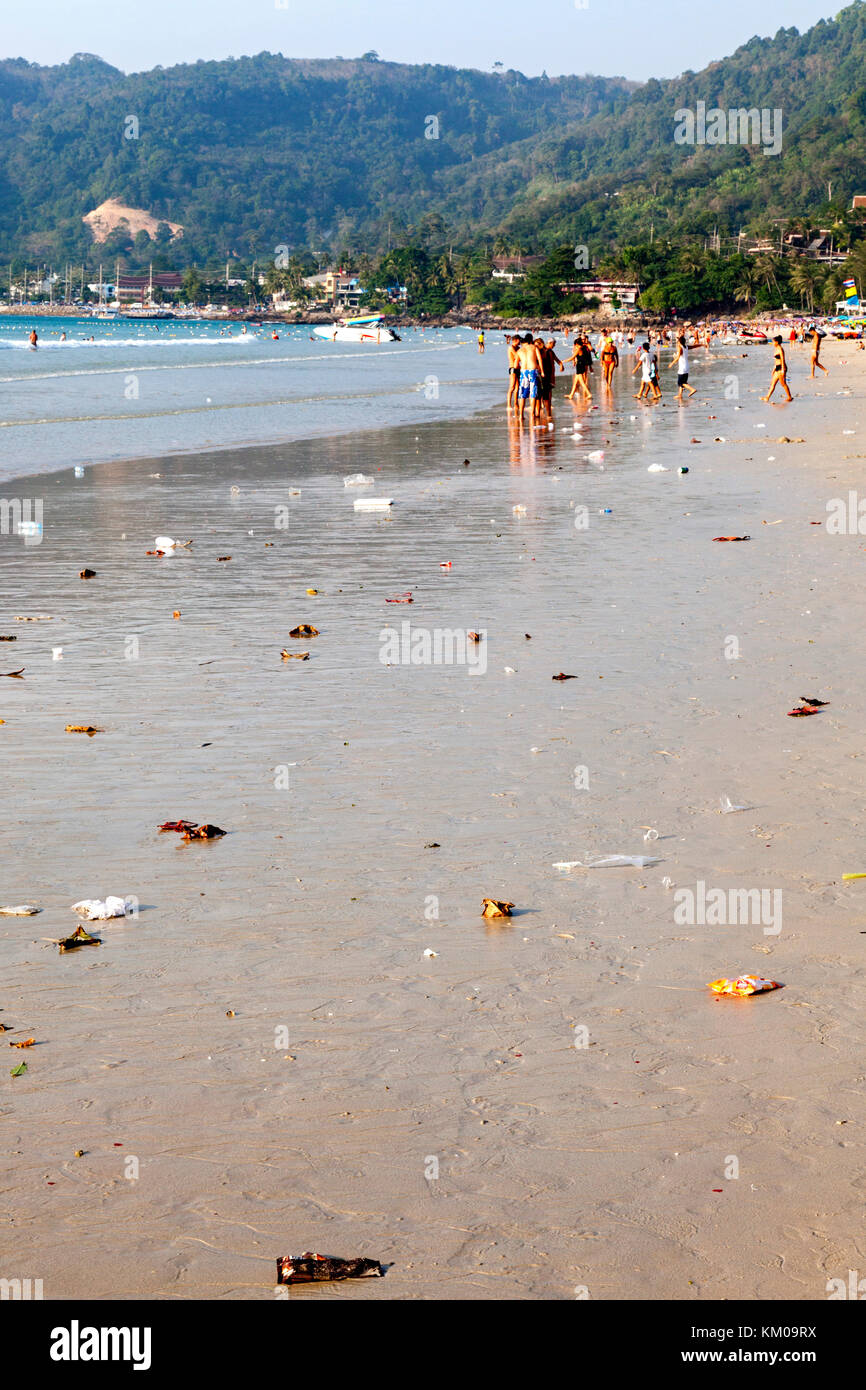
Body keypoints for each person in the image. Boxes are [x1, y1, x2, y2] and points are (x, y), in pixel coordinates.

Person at [516, 333, 543, 424]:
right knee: (533, 393)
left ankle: (521, 415)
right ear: (531, 340)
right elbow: (539, 359)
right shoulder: (534, 347)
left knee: (522, 394)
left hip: (523, 372)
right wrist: (542, 371)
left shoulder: (519, 350)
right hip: (532, 371)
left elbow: (516, 365)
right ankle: (532, 414)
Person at [762, 336, 793, 402]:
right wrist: (774, 369)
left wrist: (782, 370)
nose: (772, 343)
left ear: (777, 342)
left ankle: (789, 397)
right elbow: (776, 360)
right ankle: (767, 397)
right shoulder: (776, 349)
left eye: (773, 342)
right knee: (772, 383)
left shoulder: (780, 349)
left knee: (783, 384)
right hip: (777, 367)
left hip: (781, 367)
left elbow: (782, 359)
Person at [669, 334, 696, 401]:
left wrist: (671, 363)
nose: (677, 342)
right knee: (683, 382)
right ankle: (680, 395)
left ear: (679, 342)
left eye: (678, 341)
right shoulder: (686, 347)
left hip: (682, 368)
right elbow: (693, 347)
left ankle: (692, 389)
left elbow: (678, 357)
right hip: (686, 367)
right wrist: (701, 345)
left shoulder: (680, 347)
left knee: (681, 383)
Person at [507, 334, 522, 408]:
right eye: (519, 340)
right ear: (515, 340)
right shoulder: (511, 348)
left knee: (517, 387)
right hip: (512, 368)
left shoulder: (518, 348)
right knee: (512, 387)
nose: (520, 342)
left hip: (518, 368)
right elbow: (517, 356)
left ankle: (516, 404)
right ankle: (509, 405)